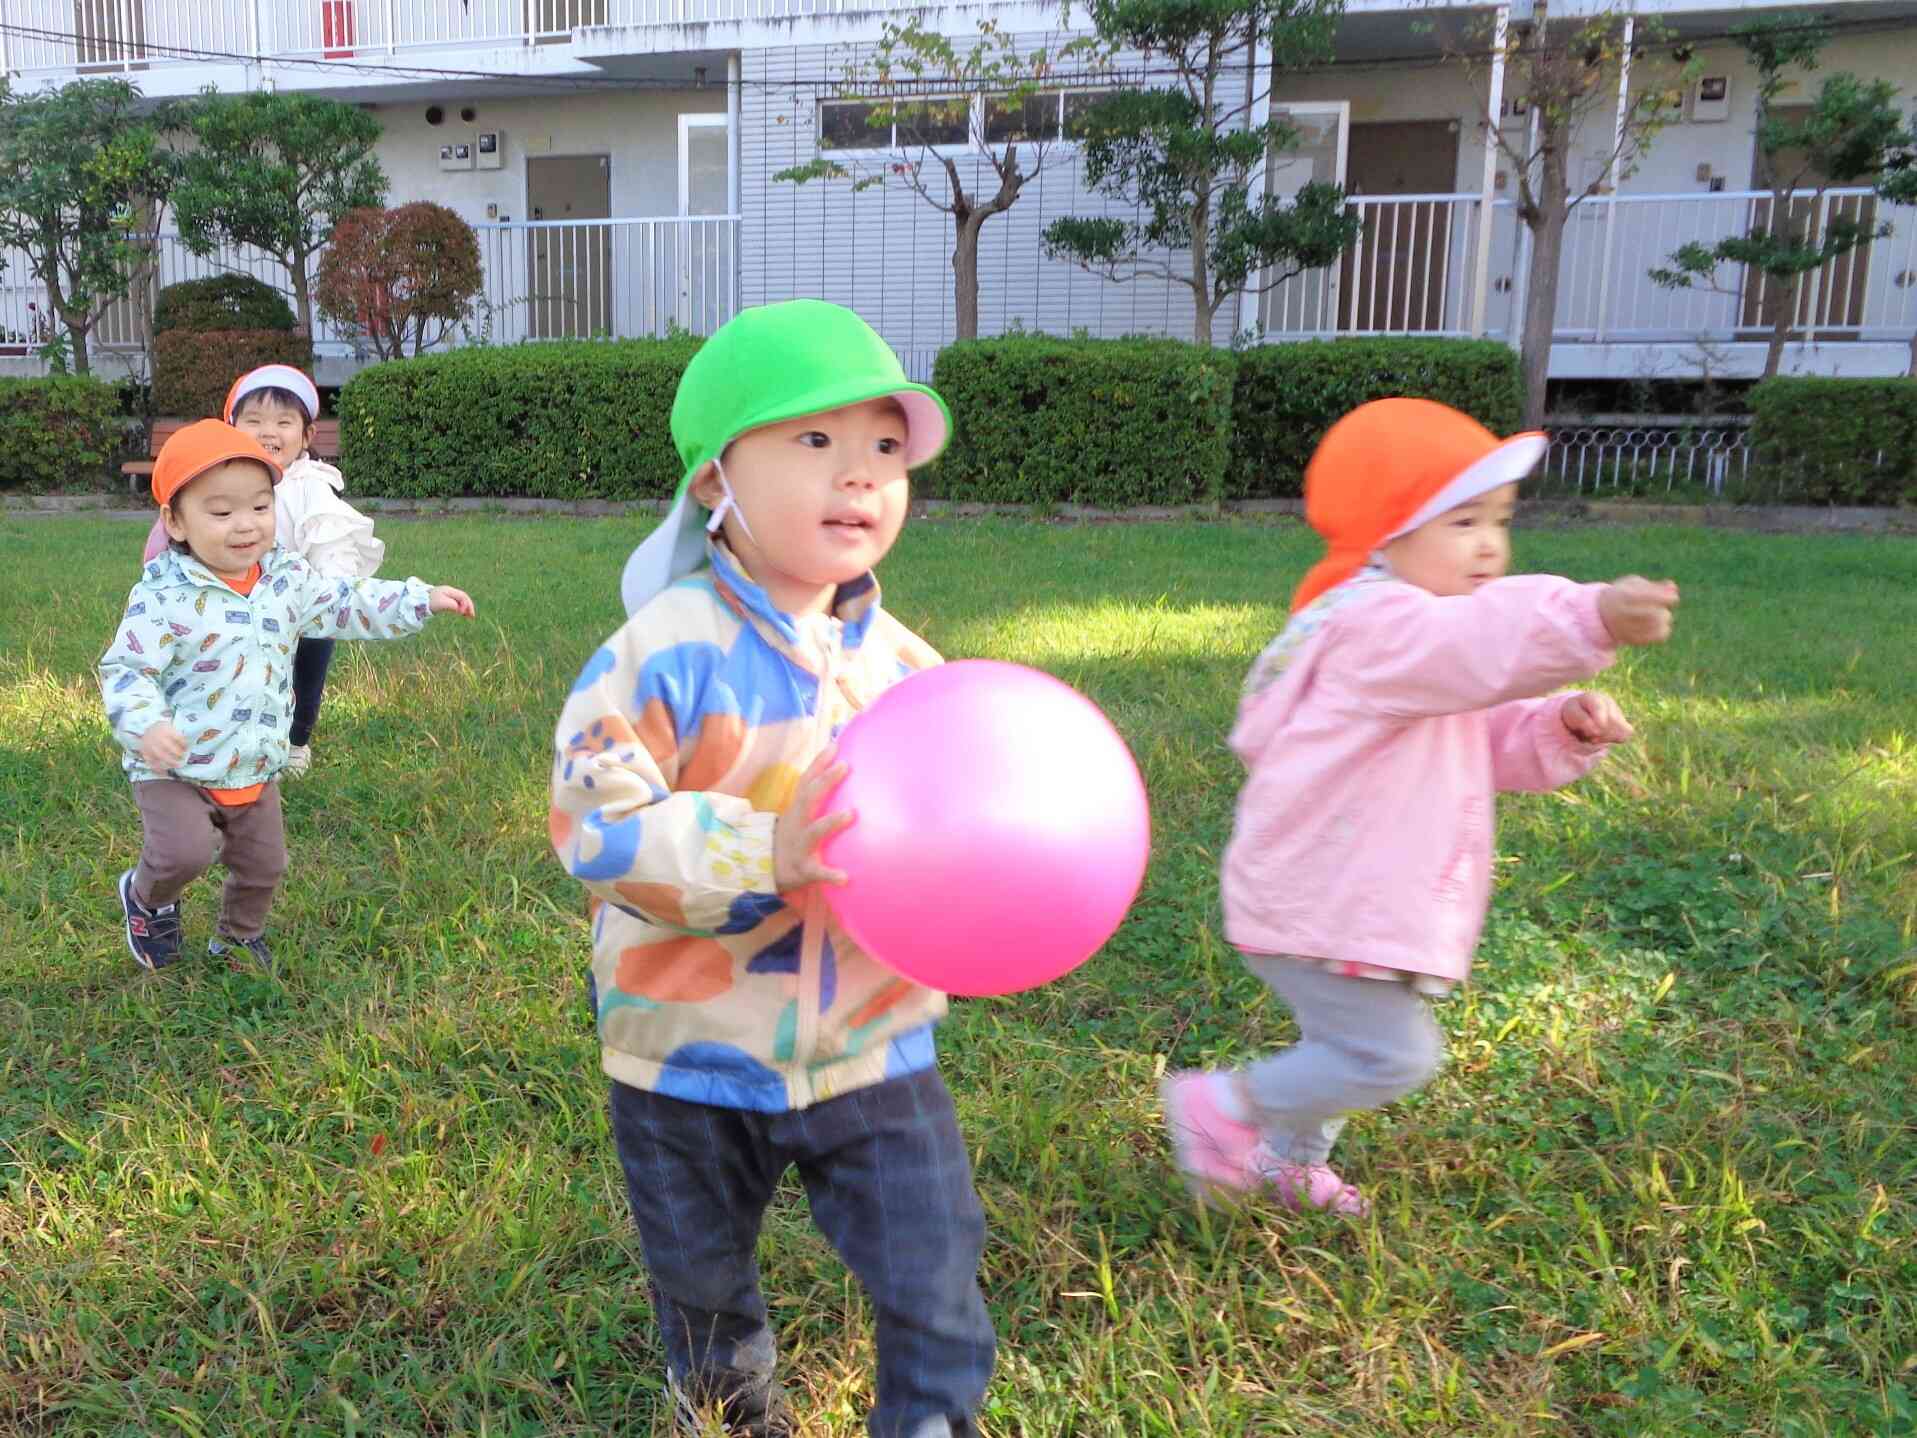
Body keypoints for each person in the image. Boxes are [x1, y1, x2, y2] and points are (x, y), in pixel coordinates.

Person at [551, 301, 994, 1437]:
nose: (861, 475)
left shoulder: (906, 668)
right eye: (815, 442)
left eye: (886, 448)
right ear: (715, 483)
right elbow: (595, 825)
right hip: (684, 1054)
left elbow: (953, 824)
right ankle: (733, 1417)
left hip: (871, 1041)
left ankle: (931, 1420)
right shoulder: (659, 649)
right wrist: (766, 849)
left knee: (936, 1274)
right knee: (704, 1299)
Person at [1160, 398, 1679, 1216]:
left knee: (1344, 1046)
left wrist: (1557, 726)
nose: (1488, 545)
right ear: (1384, 532)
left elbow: (1469, 737)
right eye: (1460, 520)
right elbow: (1480, 645)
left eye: (1498, 520)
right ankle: (1222, 1108)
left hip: (1349, 894)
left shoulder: (1407, 640)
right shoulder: (1378, 625)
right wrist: (1590, 615)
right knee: (1389, 1057)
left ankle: (1288, 1163)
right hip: (1326, 898)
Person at [103, 420, 473, 974]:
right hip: (175, 764)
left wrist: (420, 600)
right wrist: (145, 725)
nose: (245, 525)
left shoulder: (286, 580)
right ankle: (148, 898)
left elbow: (348, 603)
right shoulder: (162, 595)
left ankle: (236, 938)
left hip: (255, 758)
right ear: (175, 521)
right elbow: (126, 669)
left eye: (259, 507)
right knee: (184, 852)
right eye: (221, 513)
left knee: (264, 865)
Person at [141, 365, 384, 776]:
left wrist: (334, 589)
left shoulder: (311, 486)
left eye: (283, 422)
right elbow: (174, 529)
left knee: (305, 682)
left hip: (300, 611)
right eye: (253, 421)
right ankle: (223, 740)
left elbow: (333, 543)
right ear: (231, 427)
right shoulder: (219, 479)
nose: (268, 431)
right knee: (236, 676)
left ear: (306, 436)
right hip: (231, 603)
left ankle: (295, 741)